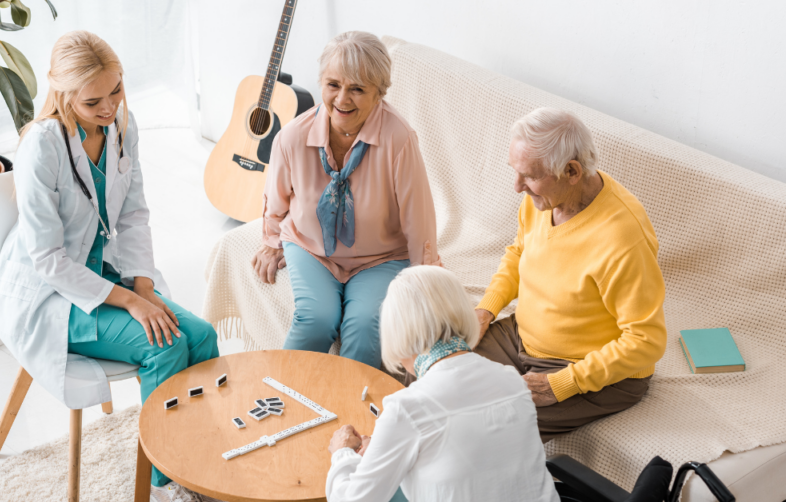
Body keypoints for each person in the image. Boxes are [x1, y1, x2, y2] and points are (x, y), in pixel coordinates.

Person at [0, 31, 219, 502]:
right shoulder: (43, 147)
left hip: (107, 274)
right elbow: (48, 260)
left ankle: (199, 455)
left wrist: (145, 287)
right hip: (50, 293)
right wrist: (131, 301)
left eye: (116, 90)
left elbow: (134, 214)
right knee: (166, 346)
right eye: (93, 99)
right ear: (63, 93)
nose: (110, 105)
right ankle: (164, 482)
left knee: (204, 337)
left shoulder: (121, 128)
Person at [474, 107, 667, 442]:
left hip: (587, 369)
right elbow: (519, 253)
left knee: (486, 428)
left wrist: (565, 383)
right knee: (436, 369)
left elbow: (646, 340)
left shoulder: (622, 237)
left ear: (572, 171)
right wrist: (486, 309)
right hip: (522, 337)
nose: (517, 186)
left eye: (529, 176)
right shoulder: (543, 199)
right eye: (516, 173)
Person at [253, 31, 438, 368]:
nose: (342, 99)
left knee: (366, 326)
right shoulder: (292, 137)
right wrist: (270, 241)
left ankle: (352, 414)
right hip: (311, 248)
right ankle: (281, 400)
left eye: (357, 88)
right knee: (316, 319)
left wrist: (423, 277)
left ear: (379, 93)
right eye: (333, 85)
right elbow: (276, 199)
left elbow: (418, 216)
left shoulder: (399, 139)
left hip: (381, 257)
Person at [325, 266, 560, 502]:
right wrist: (386, 444)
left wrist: (343, 453)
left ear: (397, 333)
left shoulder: (406, 408)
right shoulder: (512, 381)